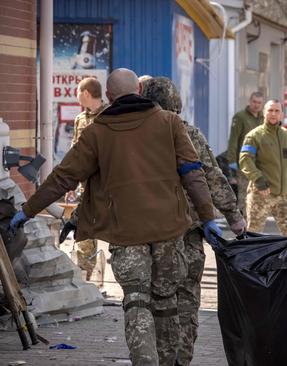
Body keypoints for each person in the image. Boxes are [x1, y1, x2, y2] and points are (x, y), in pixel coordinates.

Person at [9, 68, 221, 366]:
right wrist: (209, 217)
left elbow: (63, 178)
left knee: (137, 302)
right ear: (138, 89)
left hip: (126, 234)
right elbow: (192, 173)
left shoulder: (97, 132)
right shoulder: (169, 123)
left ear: (108, 96)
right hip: (169, 232)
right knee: (165, 302)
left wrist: (26, 211)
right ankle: (172, 361)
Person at [139, 76, 246, 366]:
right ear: (175, 103)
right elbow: (211, 176)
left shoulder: (131, 133)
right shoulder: (187, 133)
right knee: (185, 300)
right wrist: (233, 217)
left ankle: (158, 357)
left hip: (146, 234)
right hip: (188, 232)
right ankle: (180, 360)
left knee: (153, 302)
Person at [240, 100, 287, 236]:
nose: (273, 114)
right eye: (270, 110)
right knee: (253, 235)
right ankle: (253, 257)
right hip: (261, 194)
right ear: (264, 113)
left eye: (277, 111)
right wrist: (258, 180)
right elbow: (245, 160)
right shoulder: (254, 136)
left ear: (281, 114)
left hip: (283, 196)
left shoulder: (286, 136)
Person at [70, 77, 108, 281]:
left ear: (85, 93)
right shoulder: (80, 120)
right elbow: (75, 152)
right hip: (87, 188)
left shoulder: (112, 115)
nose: (76, 96)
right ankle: (86, 277)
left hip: (111, 187)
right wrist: (71, 182)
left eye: (77, 92)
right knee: (85, 233)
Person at [226, 92, 264, 218]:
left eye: (259, 103)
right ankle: (243, 223)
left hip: (260, 164)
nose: (256, 105)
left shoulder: (262, 118)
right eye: (254, 102)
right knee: (244, 195)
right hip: (244, 163)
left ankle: (254, 221)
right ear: (249, 101)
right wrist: (232, 162)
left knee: (258, 193)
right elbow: (233, 140)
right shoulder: (240, 117)